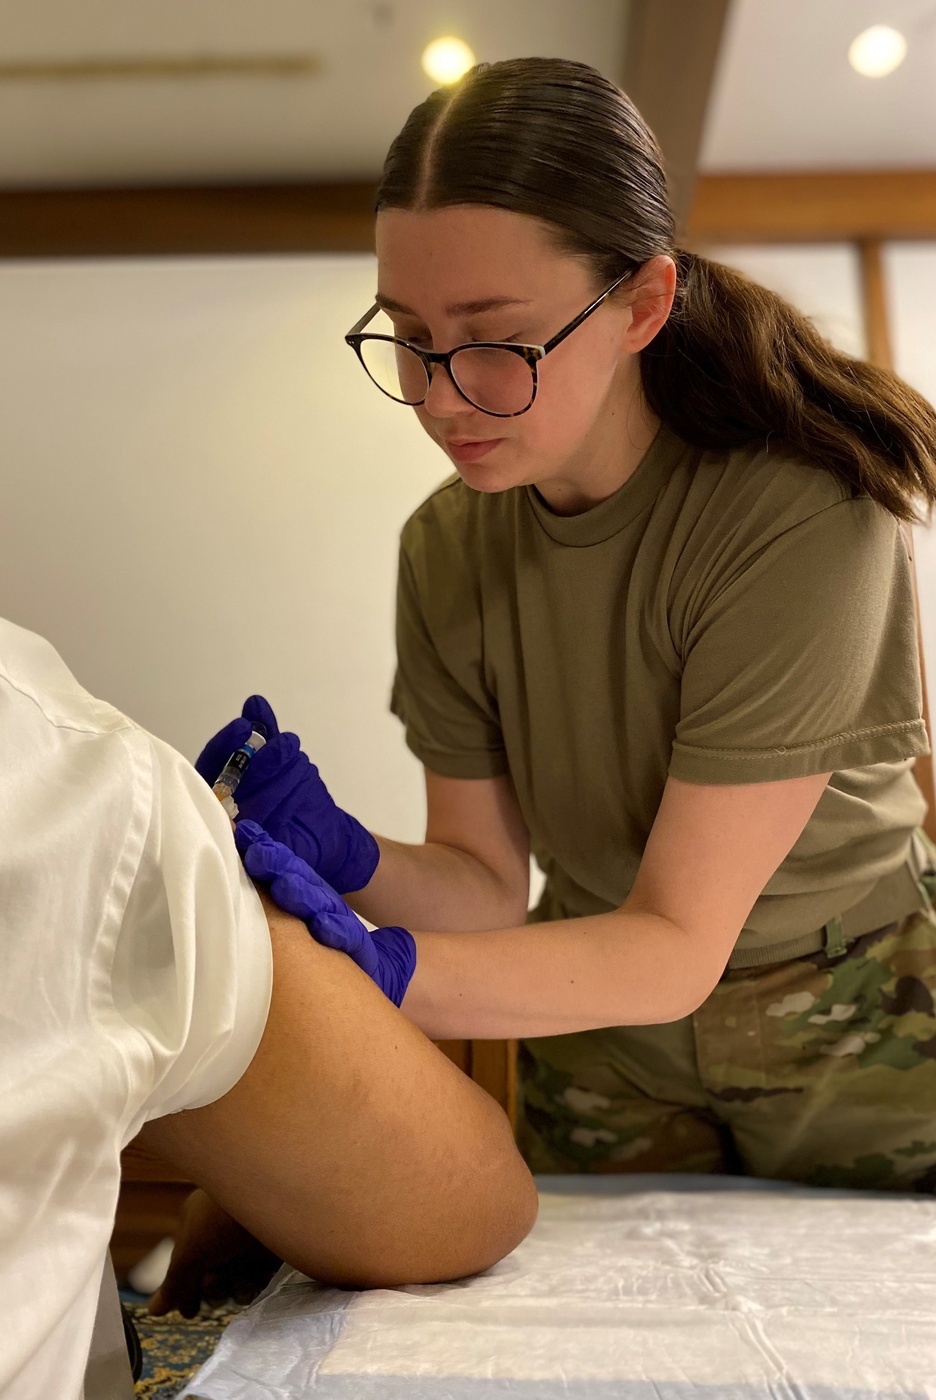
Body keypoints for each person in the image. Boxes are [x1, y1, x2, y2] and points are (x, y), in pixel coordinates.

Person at [199, 57, 936, 1198]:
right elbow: (488, 886)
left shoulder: (799, 514)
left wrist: (372, 974)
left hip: (856, 1010)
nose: (441, 395)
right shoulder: (445, 548)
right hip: (595, 1021)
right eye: (407, 332)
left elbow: (675, 943)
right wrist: (351, 853)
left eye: (494, 337)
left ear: (641, 303)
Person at [0, 437, 537, 1400]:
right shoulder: (27, 747)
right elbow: (457, 1195)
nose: (436, 400)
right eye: (407, 340)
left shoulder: (776, 527)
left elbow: (508, 897)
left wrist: (355, 862)